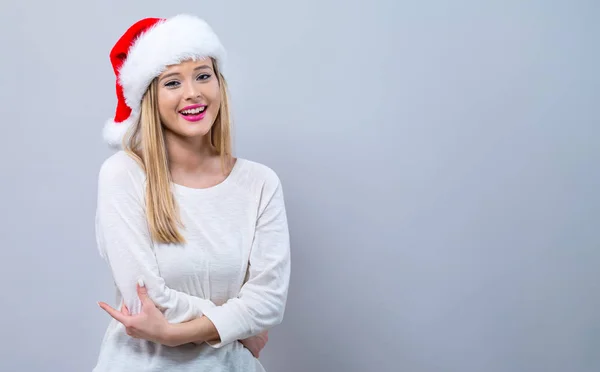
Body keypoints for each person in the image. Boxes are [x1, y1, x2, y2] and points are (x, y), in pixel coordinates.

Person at [92, 14, 291, 372]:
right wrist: (238, 327)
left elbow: (270, 301)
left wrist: (176, 334)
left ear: (219, 82)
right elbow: (147, 301)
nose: (193, 92)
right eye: (172, 82)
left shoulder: (260, 183)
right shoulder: (123, 175)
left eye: (203, 75)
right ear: (150, 96)